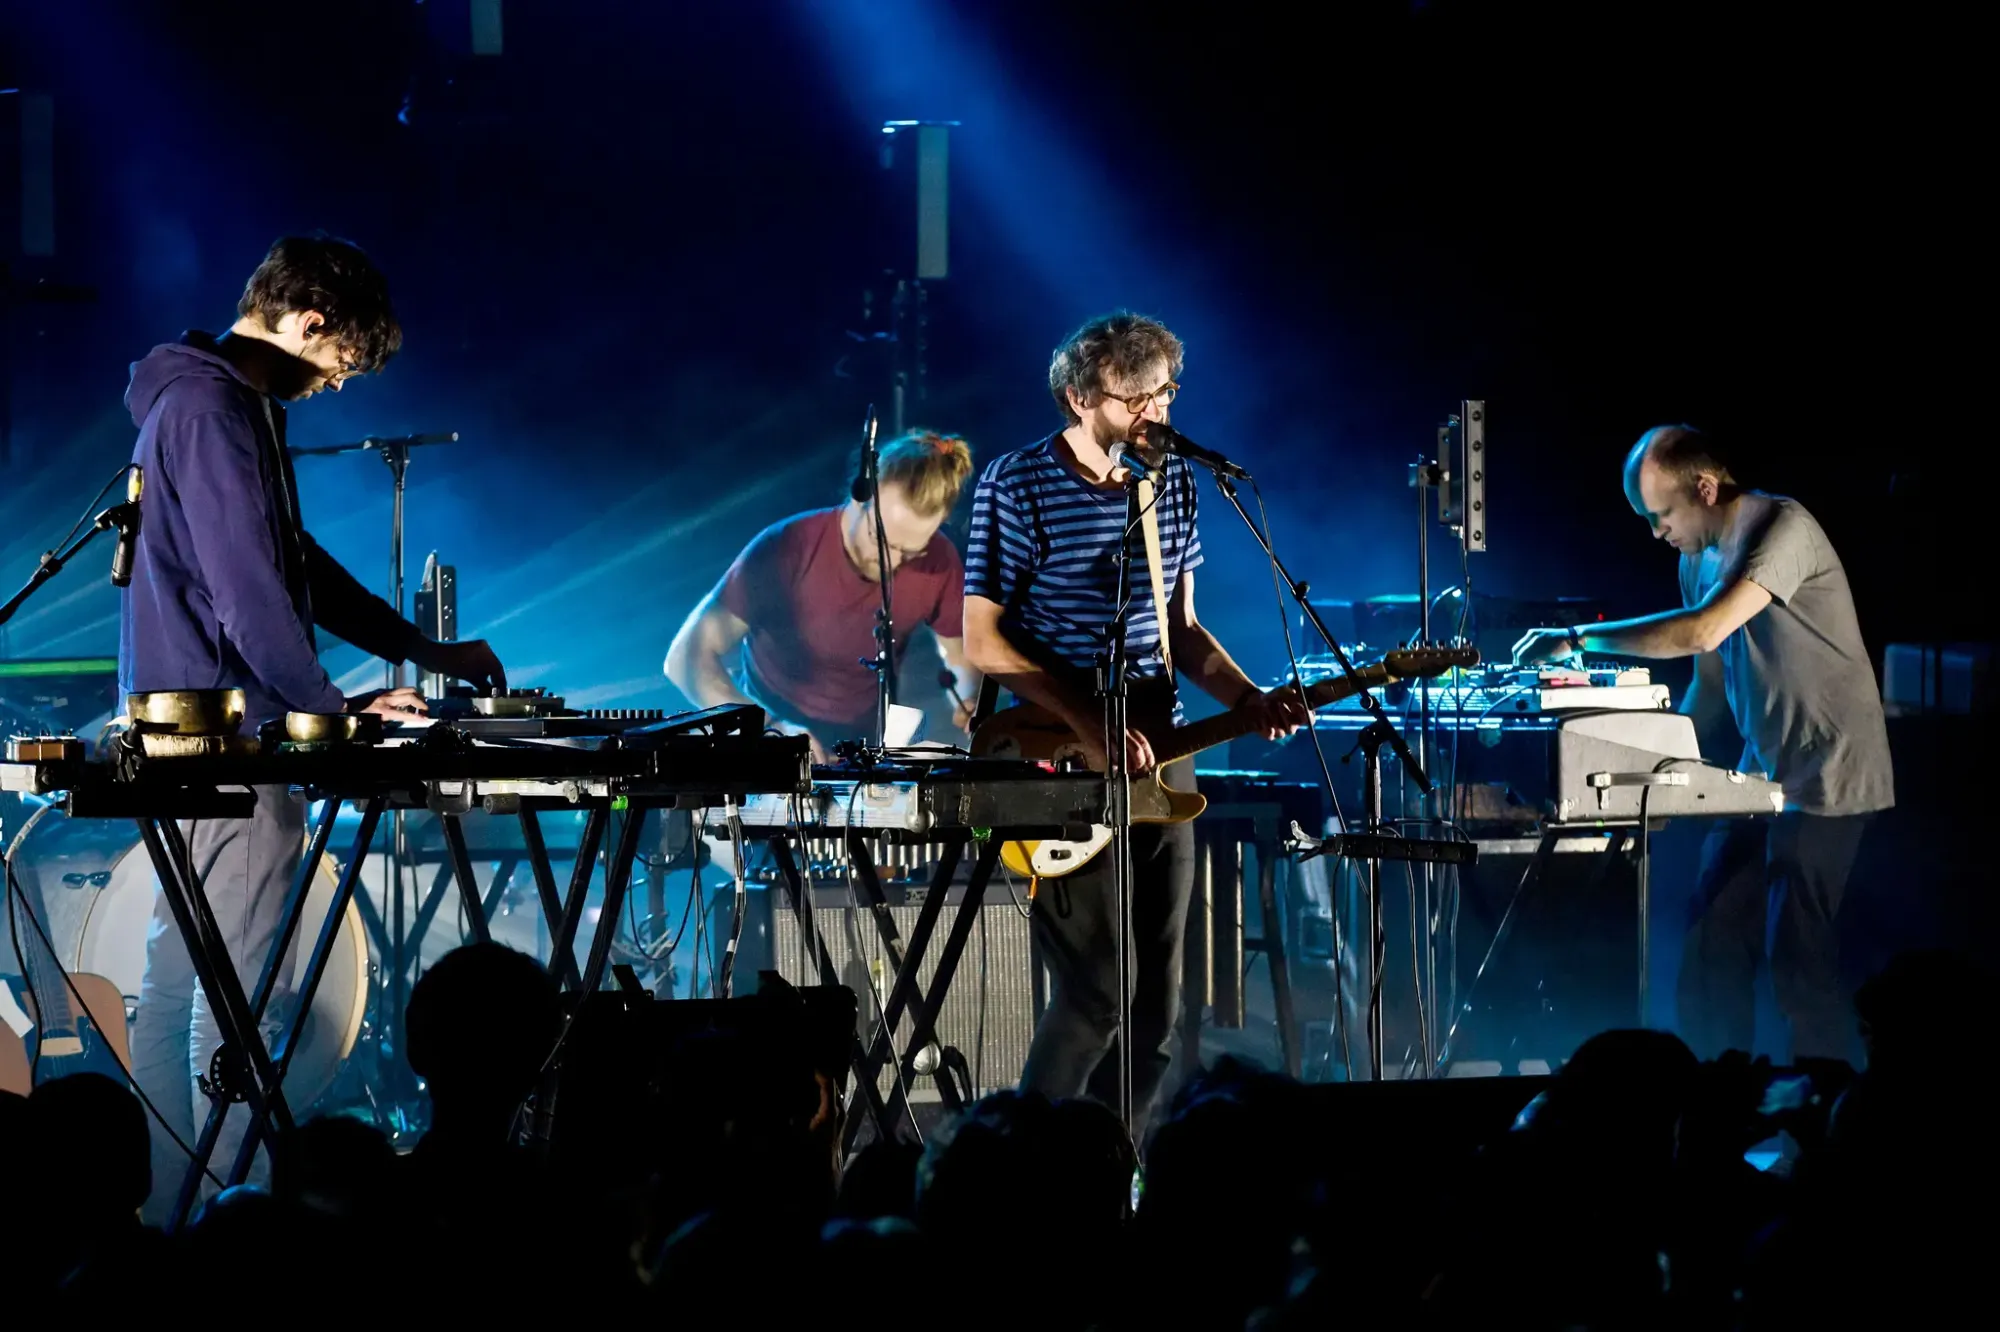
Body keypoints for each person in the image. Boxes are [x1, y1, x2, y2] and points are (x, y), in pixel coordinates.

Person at [120, 234, 507, 1222]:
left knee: (178, 984)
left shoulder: (199, 398)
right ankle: (236, 1224)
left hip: (186, 729)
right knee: (243, 999)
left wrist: (419, 650)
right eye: (339, 364)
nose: (335, 386)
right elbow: (250, 594)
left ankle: (169, 1218)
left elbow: (290, 561)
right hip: (233, 739)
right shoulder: (213, 410)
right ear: (309, 322)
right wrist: (327, 715)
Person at [962, 311, 1309, 1128]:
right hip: (1059, 753)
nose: (1157, 412)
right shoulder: (1016, 483)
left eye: (1166, 393)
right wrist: (1088, 723)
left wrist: (1247, 699)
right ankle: (1024, 1161)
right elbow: (982, 639)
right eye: (1136, 398)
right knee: (1097, 994)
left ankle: (1117, 1170)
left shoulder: (1172, 483)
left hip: (1160, 747)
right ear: (1080, 398)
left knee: (1158, 1006)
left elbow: (1181, 629)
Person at [1512, 425, 1893, 1061]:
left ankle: (1825, 1104)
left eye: (1660, 515)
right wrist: (1660, 772)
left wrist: (1577, 638)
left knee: (1797, 963)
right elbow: (1711, 686)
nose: (1655, 532)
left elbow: (1702, 631)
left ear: (1706, 489)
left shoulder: (1783, 529)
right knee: (1710, 948)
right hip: (1760, 773)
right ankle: (1717, 1098)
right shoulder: (1696, 562)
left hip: (1830, 771)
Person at [665, 429, 981, 759]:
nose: (894, 561)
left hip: (860, 752)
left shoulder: (939, 560)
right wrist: (769, 730)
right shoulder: (786, 547)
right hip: (767, 744)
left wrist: (970, 696)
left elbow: (961, 656)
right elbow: (685, 657)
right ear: (859, 497)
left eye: (910, 551)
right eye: (881, 540)